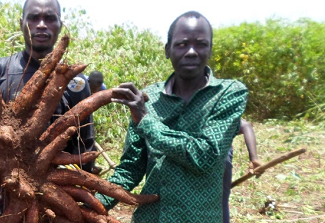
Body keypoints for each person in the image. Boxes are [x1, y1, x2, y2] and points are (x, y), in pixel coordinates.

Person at [96, 11, 248, 222]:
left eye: (201, 44)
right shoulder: (149, 98)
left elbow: (204, 156)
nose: (192, 52)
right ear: (168, 50)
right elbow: (131, 168)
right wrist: (90, 204)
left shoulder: (229, 93)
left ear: (210, 50)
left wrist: (146, 120)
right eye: (182, 44)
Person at [0, 0, 95, 221]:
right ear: (21, 23)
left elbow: (85, 145)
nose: (41, 24)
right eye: (34, 18)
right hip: (5, 193)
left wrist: (84, 198)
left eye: (50, 18)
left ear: (60, 24)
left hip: (56, 194)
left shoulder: (75, 82)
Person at [222, 119, 261, 223]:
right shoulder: (218, 106)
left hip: (186, 157)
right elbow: (246, 125)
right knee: (221, 202)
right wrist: (254, 158)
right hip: (221, 159)